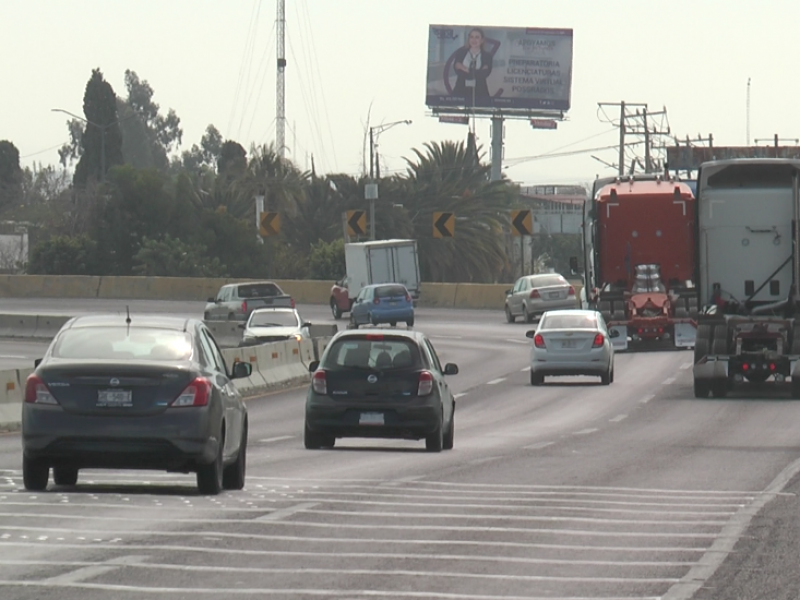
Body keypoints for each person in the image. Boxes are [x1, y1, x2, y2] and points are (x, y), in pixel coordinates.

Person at [450, 28, 493, 106]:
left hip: (480, 92)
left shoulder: (487, 56)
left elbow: (485, 74)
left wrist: (464, 68)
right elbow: (458, 71)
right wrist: (477, 72)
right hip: (460, 90)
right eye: (471, 37)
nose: (474, 40)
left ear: (482, 40)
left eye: (477, 37)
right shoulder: (461, 53)